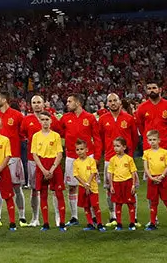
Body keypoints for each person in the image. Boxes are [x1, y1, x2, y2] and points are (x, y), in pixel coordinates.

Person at [135, 82, 167, 226]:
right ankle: (153, 219)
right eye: (149, 88)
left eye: (154, 88)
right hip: (150, 152)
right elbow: (140, 127)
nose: (152, 90)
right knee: (152, 184)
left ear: (160, 90)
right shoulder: (141, 108)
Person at [20, 94, 61, 227]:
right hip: (33, 160)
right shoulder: (27, 120)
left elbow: (59, 132)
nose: (36, 105)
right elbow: (23, 134)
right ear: (30, 105)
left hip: (51, 160)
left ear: (43, 104)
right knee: (35, 189)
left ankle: (58, 217)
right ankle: (35, 217)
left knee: (55, 190)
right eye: (34, 102)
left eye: (39, 102)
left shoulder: (52, 119)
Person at [97, 93, 137, 220]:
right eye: (110, 101)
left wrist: (128, 155)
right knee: (110, 189)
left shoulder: (129, 118)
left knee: (131, 187)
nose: (113, 103)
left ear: (120, 102)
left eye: (115, 100)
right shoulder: (103, 119)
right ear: (107, 103)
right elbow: (99, 138)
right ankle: (112, 216)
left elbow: (135, 138)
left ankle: (133, 217)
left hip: (126, 160)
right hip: (110, 158)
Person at [61, 93, 97, 226]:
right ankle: (74, 217)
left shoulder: (90, 118)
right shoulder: (65, 118)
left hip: (88, 157)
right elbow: (59, 131)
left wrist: (97, 157)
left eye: (69, 101)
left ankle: (94, 216)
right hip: (71, 156)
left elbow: (97, 138)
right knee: (71, 187)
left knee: (90, 186)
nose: (67, 103)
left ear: (78, 103)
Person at [0, 91, 25, 226]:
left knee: (17, 188)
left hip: (14, 157)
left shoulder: (17, 115)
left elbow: (23, 135)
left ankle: (22, 216)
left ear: (4, 100)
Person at [29, 111, 66, 231]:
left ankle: (62, 223)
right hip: (42, 166)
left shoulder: (55, 136)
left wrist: (51, 169)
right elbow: (34, 155)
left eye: (47, 119)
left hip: (54, 165)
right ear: (39, 121)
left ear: (51, 121)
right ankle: (45, 223)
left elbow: (59, 154)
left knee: (59, 194)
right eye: (42, 119)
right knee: (43, 194)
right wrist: (43, 170)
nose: (45, 122)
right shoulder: (36, 136)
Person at [142, 129, 167, 231]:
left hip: (163, 179)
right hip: (152, 179)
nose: (152, 142)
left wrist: (162, 176)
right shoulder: (146, 153)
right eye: (150, 140)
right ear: (147, 141)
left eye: (154, 139)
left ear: (159, 140)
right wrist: (151, 177)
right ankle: (152, 223)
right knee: (153, 202)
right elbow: (146, 167)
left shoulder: (164, 152)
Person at [71, 139, 103, 231]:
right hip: (82, 187)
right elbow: (76, 175)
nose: (79, 151)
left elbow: (93, 172)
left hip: (92, 187)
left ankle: (100, 223)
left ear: (86, 150)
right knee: (86, 206)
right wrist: (84, 184)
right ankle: (90, 223)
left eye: (81, 149)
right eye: (77, 149)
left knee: (95, 205)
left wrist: (88, 183)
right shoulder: (76, 162)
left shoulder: (91, 160)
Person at [107, 136, 138, 230]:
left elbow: (133, 172)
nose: (115, 148)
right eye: (114, 146)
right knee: (118, 204)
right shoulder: (112, 159)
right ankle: (119, 223)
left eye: (118, 146)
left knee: (130, 203)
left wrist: (133, 185)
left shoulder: (129, 159)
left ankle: (132, 223)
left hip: (127, 183)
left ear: (124, 147)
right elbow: (110, 173)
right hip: (117, 184)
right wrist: (111, 186)